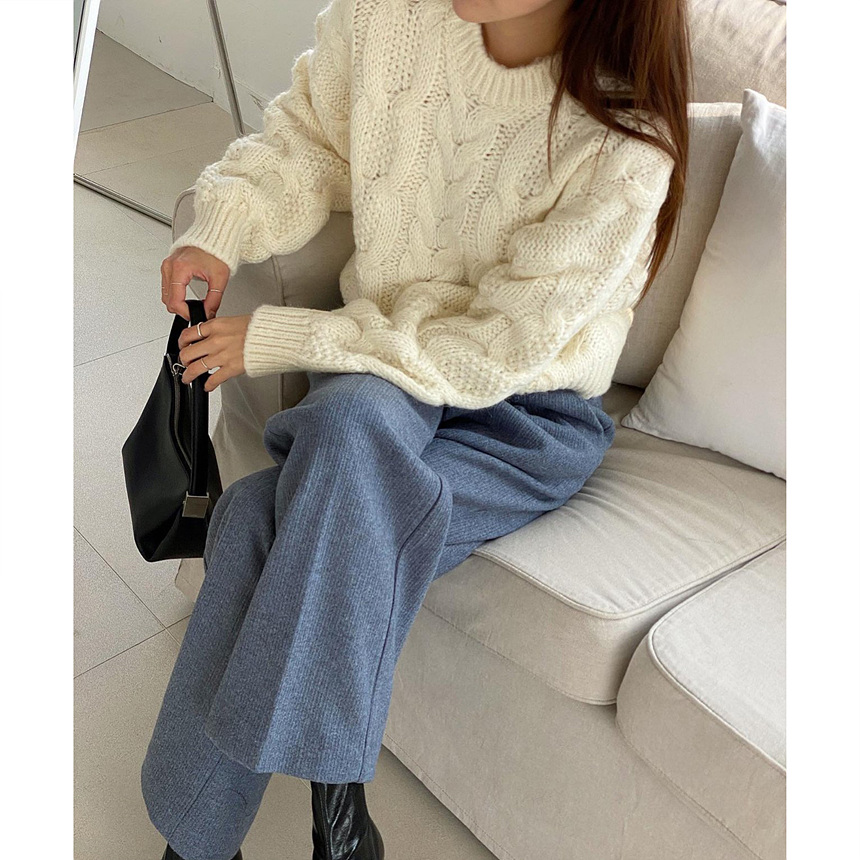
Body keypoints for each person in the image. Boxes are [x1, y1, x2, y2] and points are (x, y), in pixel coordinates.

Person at [143, 0, 691, 857]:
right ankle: (340, 815)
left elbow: (495, 350)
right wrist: (222, 228)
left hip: (526, 417)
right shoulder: (388, 17)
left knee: (257, 514)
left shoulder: (627, 145)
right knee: (355, 419)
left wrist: (289, 338)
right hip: (378, 376)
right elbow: (307, 141)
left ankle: (197, 842)